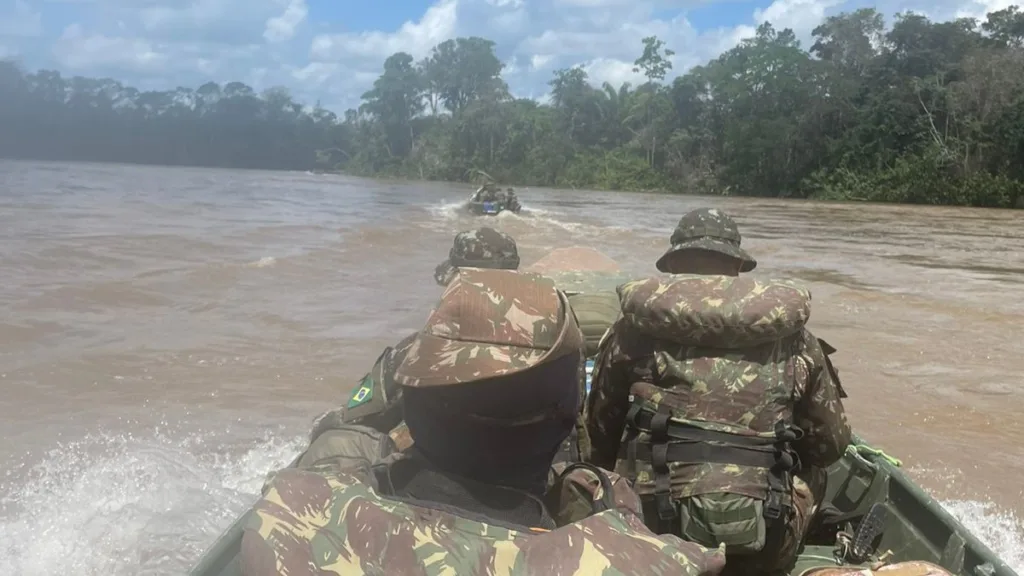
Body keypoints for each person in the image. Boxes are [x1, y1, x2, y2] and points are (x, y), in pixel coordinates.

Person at [240, 269, 728, 576]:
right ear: (568, 420)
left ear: (410, 406)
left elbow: (346, 423)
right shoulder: (651, 561)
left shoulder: (286, 511)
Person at [584, 207, 851, 576]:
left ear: (674, 265)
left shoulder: (631, 330)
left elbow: (598, 432)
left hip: (652, 538)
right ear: (737, 267)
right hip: (765, 540)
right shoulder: (794, 338)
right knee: (817, 474)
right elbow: (830, 445)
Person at [334, 226, 521, 449]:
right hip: (532, 469)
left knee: (333, 438)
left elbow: (357, 418)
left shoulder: (424, 349)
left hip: (450, 473)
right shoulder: (554, 343)